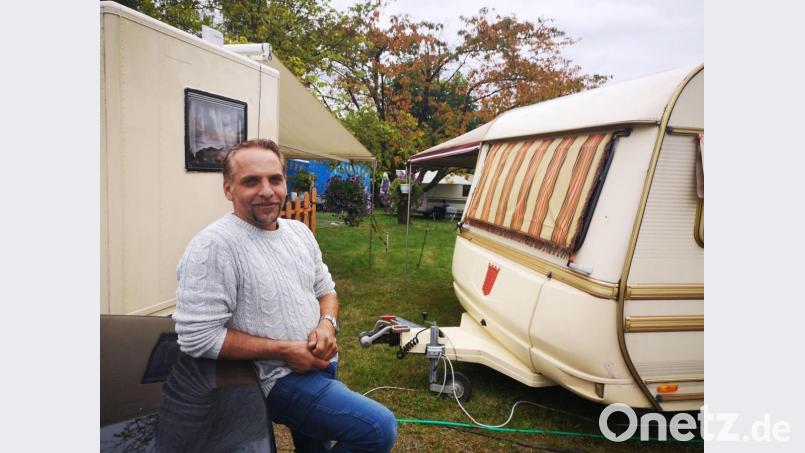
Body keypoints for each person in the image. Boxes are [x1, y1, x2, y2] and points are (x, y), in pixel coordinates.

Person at [173, 138, 397, 452]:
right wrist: (284, 351)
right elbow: (196, 336)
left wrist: (326, 325)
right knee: (377, 428)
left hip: (320, 363)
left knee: (313, 447)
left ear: (284, 182)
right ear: (228, 189)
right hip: (277, 379)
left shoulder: (298, 232)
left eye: (274, 179)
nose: (267, 191)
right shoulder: (213, 247)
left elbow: (326, 290)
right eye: (251, 181)